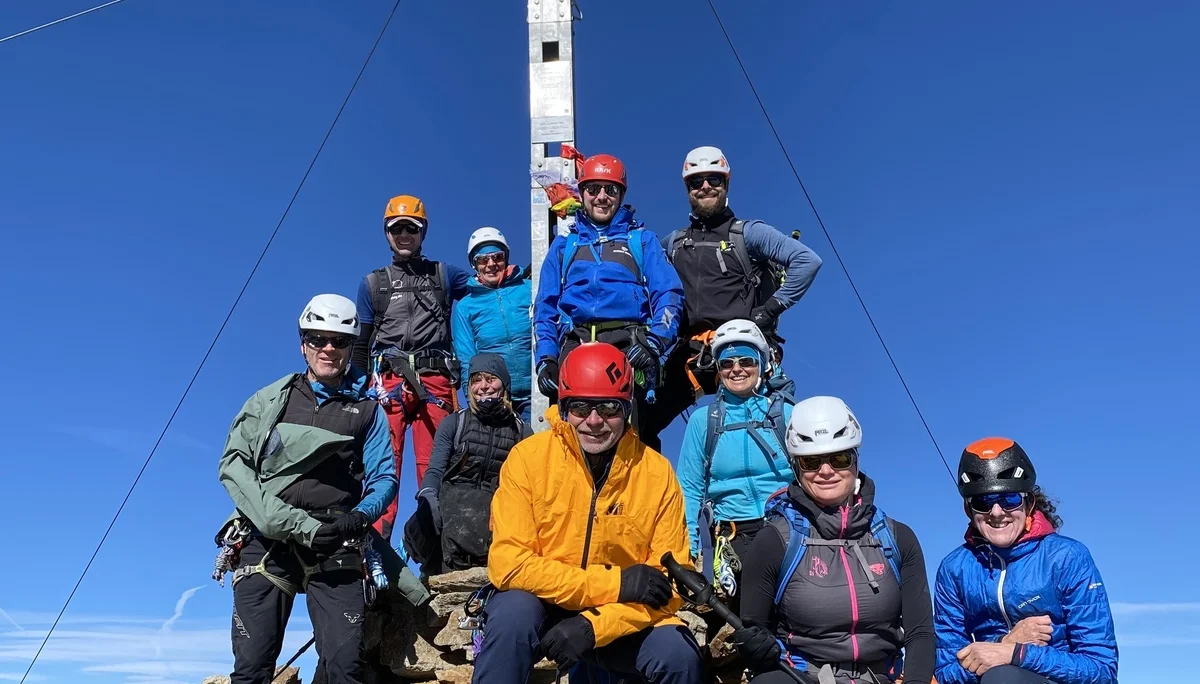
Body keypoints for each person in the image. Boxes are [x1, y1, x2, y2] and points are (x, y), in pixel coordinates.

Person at [472, 342, 704, 684]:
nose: (594, 421)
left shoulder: (657, 472)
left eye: (609, 407)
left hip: (620, 615)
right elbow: (509, 564)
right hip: (546, 603)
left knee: (678, 655)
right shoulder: (527, 459)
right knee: (511, 617)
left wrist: (595, 626)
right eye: (580, 407)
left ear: (627, 408)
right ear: (564, 407)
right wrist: (615, 583)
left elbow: (669, 582)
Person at [216, 294, 398, 684]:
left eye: (339, 341)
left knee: (344, 669)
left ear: (351, 347)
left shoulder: (368, 411)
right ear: (303, 344)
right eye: (318, 338)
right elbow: (234, 465)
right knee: (251, 670)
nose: (328, 348)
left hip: (336, 539)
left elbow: (384, 477)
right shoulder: (270, 400)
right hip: (267, 540)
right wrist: (277, 518)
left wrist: (357, 518)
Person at [732, 396, 935, 684]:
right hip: (802, 677)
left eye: (839, 458)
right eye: (811, 461)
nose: (826, 471)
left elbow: (920, 633)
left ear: (856, 460)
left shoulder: (898, 538)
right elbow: (755, 630)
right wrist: (755, 649)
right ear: (796, 467)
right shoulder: (774, 540)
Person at [650, 146, 823, 439]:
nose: (705, 186)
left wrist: (770, 310)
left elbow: (807, 261)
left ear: (726, 183)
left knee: (768, 431)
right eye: (696, 181)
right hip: (694, 351)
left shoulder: (748, 233)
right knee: (640, 421)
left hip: (744, 346)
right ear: (688, 189)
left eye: (714, 179)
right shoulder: (674, 243)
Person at [933, 438, 1118, 684]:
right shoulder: (953, 569)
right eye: (982, 502)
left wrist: (1017, 653)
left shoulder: (1067, 557)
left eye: (1009, 499)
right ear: (969, 510)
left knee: (1003, 677)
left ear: (1028, 503)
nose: (996, 512)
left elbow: (1101, 670)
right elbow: (946, 672)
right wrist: (1005, 642)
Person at [532, 153, 685, 451]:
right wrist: (546, 359)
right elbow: (545, 308)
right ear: (582, 193)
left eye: (611, 189)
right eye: (593, 188)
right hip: (575, 346)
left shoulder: (642, 240)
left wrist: (655, 343)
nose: (602, 197)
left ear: (621, 194)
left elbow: (669, 294)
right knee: (571, 439)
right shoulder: (564, 246)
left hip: (628, 347)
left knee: (630, 439)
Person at [352, 194, 471, 540]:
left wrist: (513, 274)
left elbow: (485, 282)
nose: (404, 235)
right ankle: (373, 554)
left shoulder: (444, 275)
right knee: (382, 468)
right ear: (387, 234)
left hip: (435, 381)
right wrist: (356, 392)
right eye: (397, 229)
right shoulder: (373, 284)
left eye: (411, 228)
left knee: (436, 467)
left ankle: (439, 554)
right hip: (388, 384)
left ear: (423, 232)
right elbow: (361, 342)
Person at [675, 319, 795, 602]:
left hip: (788, 528)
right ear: (718, 369)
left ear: (762, 364)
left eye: (746, 361)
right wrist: (690, 549)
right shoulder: (703, 421)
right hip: (733, 536)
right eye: (727, 363)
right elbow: (689, 488)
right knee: (748, 617)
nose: (736, 369)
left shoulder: (788, 414)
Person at [411, 353, 531, 574]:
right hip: (453, 507)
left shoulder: (522, 431)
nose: (483, 386)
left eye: (491, 379)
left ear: (504, 384)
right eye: (476, 380)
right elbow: (435, 469)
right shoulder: (454, 423)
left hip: (495, 513)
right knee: (423, 520)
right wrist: (427, 495)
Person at [451, 227, 534, 422]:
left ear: (506, 257)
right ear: (474, 264)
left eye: (497, 257)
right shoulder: (465, 307)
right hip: (496, 397)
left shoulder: (530, 288)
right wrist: (473, 402)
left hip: (537, 391)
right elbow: (466, 358)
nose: (491, 264)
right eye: (482, 260)